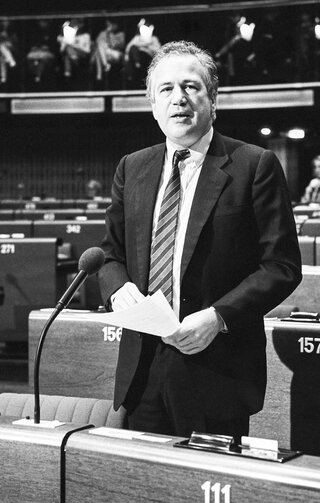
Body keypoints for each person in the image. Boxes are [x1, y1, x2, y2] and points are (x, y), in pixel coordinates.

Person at [99, 40, 302, 441]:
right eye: (166, 89)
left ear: (213, 100)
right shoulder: (132, 167)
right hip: (144, 367)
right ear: (152, 105)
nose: (179, 98)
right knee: (143, 492)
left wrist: (218, 317)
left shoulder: (253, 165)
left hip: (217, 368)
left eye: (191, 87)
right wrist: (117, 287)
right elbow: (109, 253)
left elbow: (280, 265)